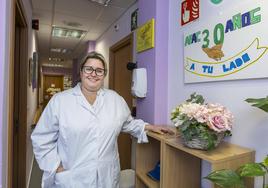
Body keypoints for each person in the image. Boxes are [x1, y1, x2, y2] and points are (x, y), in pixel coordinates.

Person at [31, 51, 173, 188]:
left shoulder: (115, 99)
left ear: (104, 74)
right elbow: (41, 139)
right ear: (81, 72)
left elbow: (126, 123)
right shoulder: (60, 101)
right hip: (72, 177)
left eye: (99, 70)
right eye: (89, 69)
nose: (93, 74)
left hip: (107, 176)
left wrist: (149, 127)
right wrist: (56, 167)